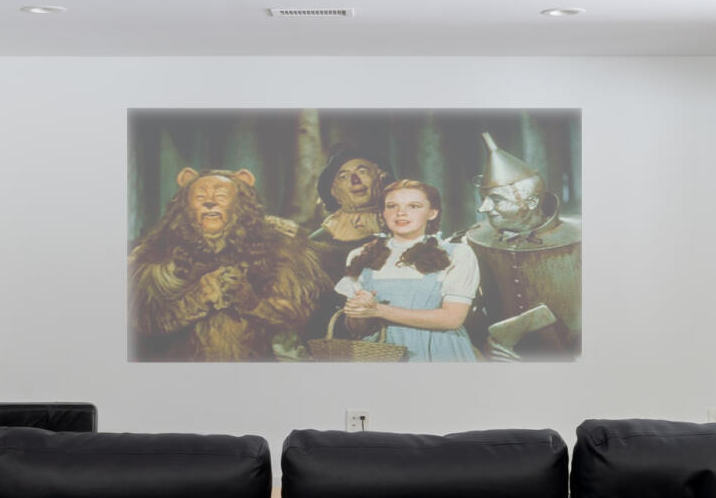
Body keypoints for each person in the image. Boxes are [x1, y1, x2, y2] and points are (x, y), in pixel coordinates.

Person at [128, 167, 323, 361]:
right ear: (185, 207)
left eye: (221, 196)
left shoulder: (278, 247)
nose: (210, 202)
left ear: (240, 206)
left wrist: (252, 303)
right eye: (200, 197)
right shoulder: (158, 251)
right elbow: (141, 320)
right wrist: (196, 300)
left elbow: (299, 316)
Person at [460, 131, 582, 358]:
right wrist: (486, 344)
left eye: (496, 199)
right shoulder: (474, 238)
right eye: (484, 198)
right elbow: (465, 306)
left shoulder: (583, 239)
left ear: (532, 201)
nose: (483, 208)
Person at [334, 179, 480, 362]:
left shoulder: (457, 253)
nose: (401, 213)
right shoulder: (360, 255)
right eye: (392, 206)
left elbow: (452, 319)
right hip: (380, 353)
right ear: (383, 213)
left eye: (414, 206)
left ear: (432, 213)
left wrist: (379, 310)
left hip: (438, 351)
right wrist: (359, 312)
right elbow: (357, 329)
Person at [305, 151, 389, 289]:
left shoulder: (404, 228)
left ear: (381, 178)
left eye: (362, 172)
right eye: (344, 176)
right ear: (334, 191)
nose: (355, 180)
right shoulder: (318, 243)